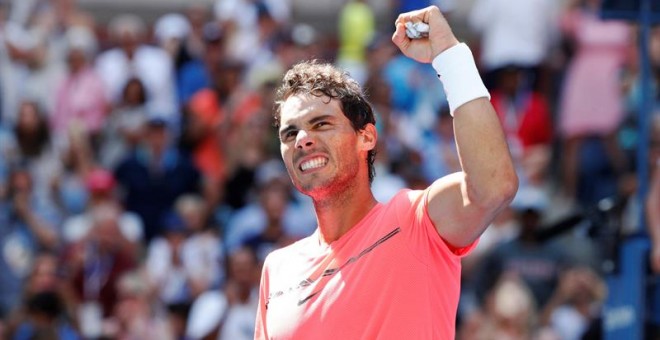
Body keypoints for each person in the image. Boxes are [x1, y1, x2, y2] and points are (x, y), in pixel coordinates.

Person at [254, 5, 518, 339]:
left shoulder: (417, 220)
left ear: (366, 136)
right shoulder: (276, 269)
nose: (303, 140)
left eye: (321, 124)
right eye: (290, 134)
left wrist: (451, 56)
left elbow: (495, 186)